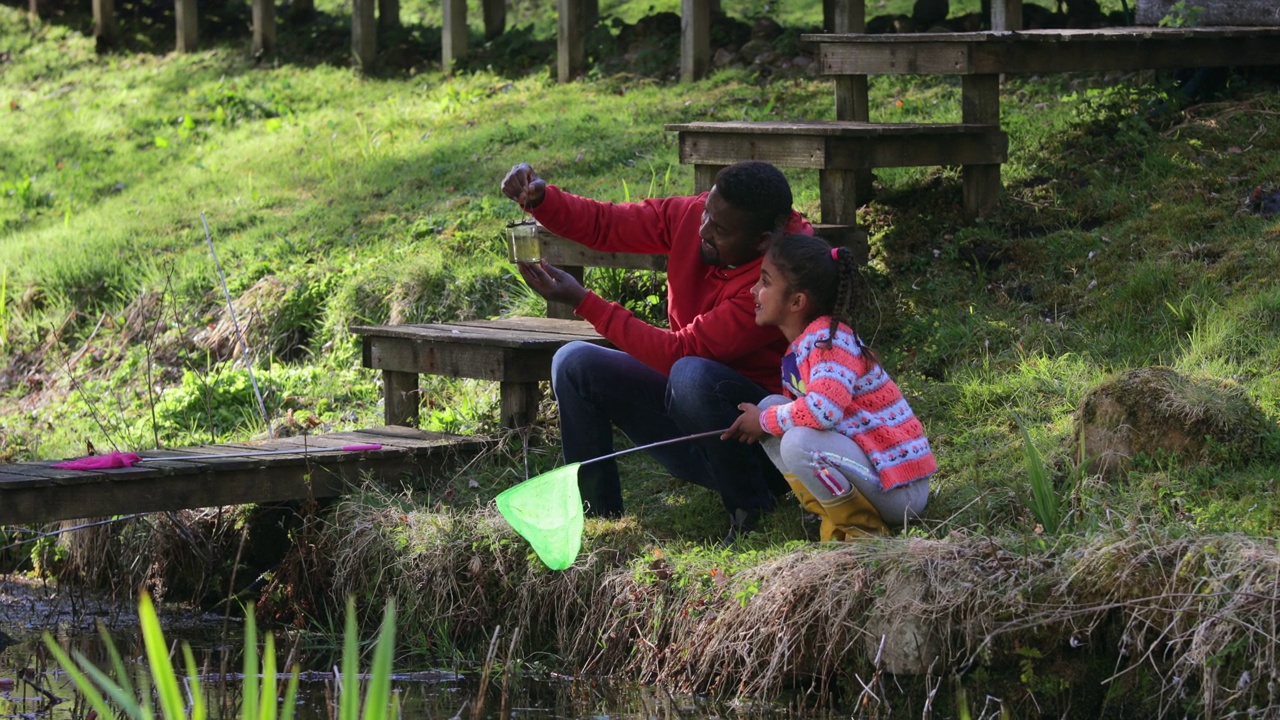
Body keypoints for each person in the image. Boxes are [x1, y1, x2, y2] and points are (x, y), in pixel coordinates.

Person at [500, 160, 813, 541]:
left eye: (720, 230)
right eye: (706, 214)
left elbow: (682, 351)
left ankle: (751, 511)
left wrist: (584, 301)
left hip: (764, 447)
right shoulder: (697, 217)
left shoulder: (781, 277)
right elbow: (607, 224)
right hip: (692, 418)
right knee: (573, 362)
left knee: (691, 372)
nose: (703, 231)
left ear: (762, 239)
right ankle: (597, 521)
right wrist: (542, 199)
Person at [723, 234, 936, 540]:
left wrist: (763, 421)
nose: (754, 290)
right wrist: (767, 417)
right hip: (879, 480)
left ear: (797, 301)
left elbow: (824, 411)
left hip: (902, 492)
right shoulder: (802, 348)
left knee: (794, 439)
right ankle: (829, 514)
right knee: (772, 406)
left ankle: (861, 529)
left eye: (765, 282)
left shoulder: (829, 343)